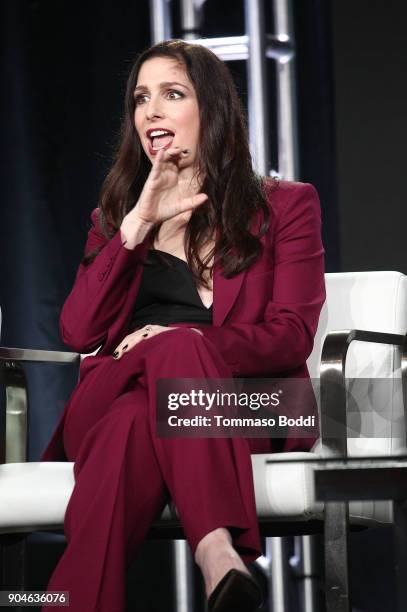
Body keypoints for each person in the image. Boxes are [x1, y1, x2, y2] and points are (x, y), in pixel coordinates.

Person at [41, 39, 325, 612]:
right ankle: (218, 553)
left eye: (172, 94)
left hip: (251, 406)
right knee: (149, 384)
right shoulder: (117, 219)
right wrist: (138, 225)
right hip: (117, 386)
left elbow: (292, 334)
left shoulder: (287, 206)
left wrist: (184, 341)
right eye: (141, 98)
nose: (151, 111)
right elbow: (77, 332)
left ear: (212, 111)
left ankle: (61, 602)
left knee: (137, 418)